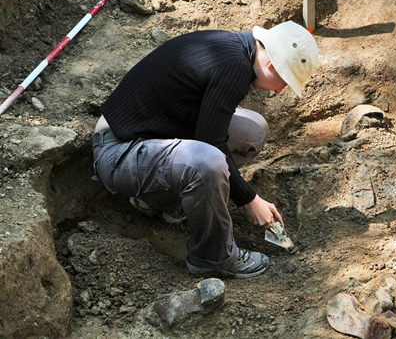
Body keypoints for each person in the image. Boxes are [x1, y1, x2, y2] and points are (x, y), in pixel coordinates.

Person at [91, 21, 320, 278]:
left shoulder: (233, 49)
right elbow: (211, 145)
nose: (279, 91)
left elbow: (210, 130)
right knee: (208, 161)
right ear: (270, 66)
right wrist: (249, 200)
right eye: (284, 82)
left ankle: (164, 203)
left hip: (146, 143)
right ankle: (213, 257)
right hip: (119, 153)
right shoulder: (233, 66)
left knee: (252, 131)